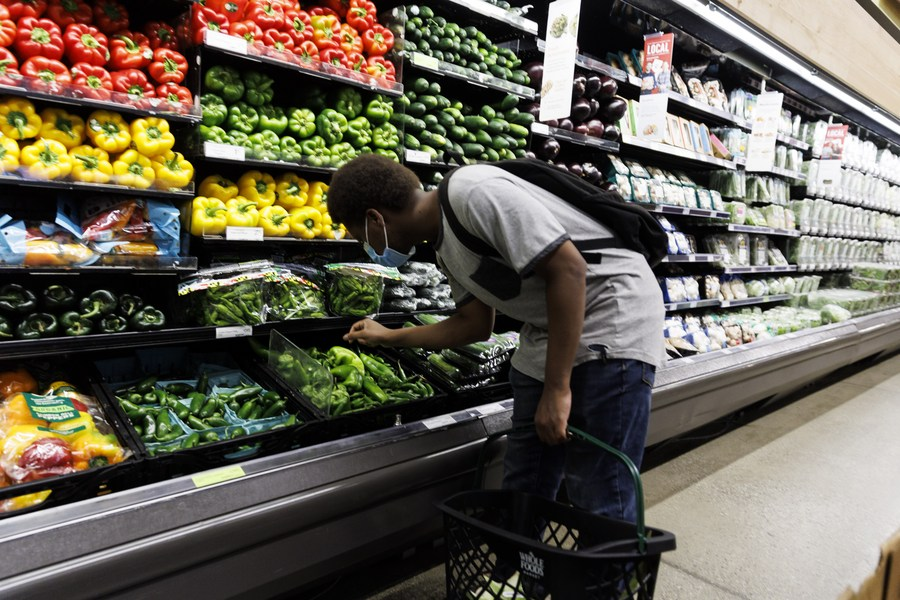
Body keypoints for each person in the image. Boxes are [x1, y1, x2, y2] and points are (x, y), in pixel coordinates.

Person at [327, 154, 665, 522]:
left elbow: (569, 270)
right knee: (524, 483)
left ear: (376, 219)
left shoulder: (472, 193)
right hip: (549, 329)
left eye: (359, 236)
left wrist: (557, 389)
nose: (365, 246)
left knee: (600, 492)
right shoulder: (444, 244)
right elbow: (473, 325)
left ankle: (605, 556)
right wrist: (391, 338)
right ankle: (518, 556)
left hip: (611, 317)